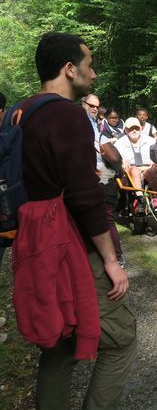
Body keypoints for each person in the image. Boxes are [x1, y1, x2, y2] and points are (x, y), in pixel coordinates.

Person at [15, 32, 136, 409]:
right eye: (89, 64)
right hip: (71, 245)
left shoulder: (19, 112)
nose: (94, 73)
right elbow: (84, 196)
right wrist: (112, 261)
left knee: (60, 344)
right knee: (121, 340)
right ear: (70, 70)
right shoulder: (67, 114)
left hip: (33, 241)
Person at [82, 93, 125, 266]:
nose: (94, 109)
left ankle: (116, 257)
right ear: (83, 104)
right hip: (90, 177)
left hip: (104, 177)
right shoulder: (81, 123)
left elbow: (112, 156)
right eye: (91, 106)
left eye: (97, 106)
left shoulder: (97, 126)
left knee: (106, 217)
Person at [114, 117, 157, 204]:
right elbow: (115, 159)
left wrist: (156, 163)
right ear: (126, 130)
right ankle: (139, 197)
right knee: (135, 170)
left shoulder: (150, 140)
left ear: (141, 129)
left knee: (151, 171)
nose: (134, 131)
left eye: (136, 128)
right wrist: (121, 161)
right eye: (131, 129)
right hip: (130, 170)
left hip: (146, 168)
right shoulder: (120, 143)